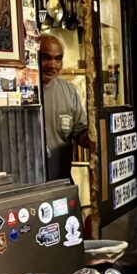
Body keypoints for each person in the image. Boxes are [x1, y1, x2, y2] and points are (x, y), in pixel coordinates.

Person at [40, 34, 89, 181]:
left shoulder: (69, 91)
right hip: (27, 185)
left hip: (61, 182)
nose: (52, 65)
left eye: (58, 59)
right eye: (45, 58)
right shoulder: (20, 91)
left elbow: (81, 133)